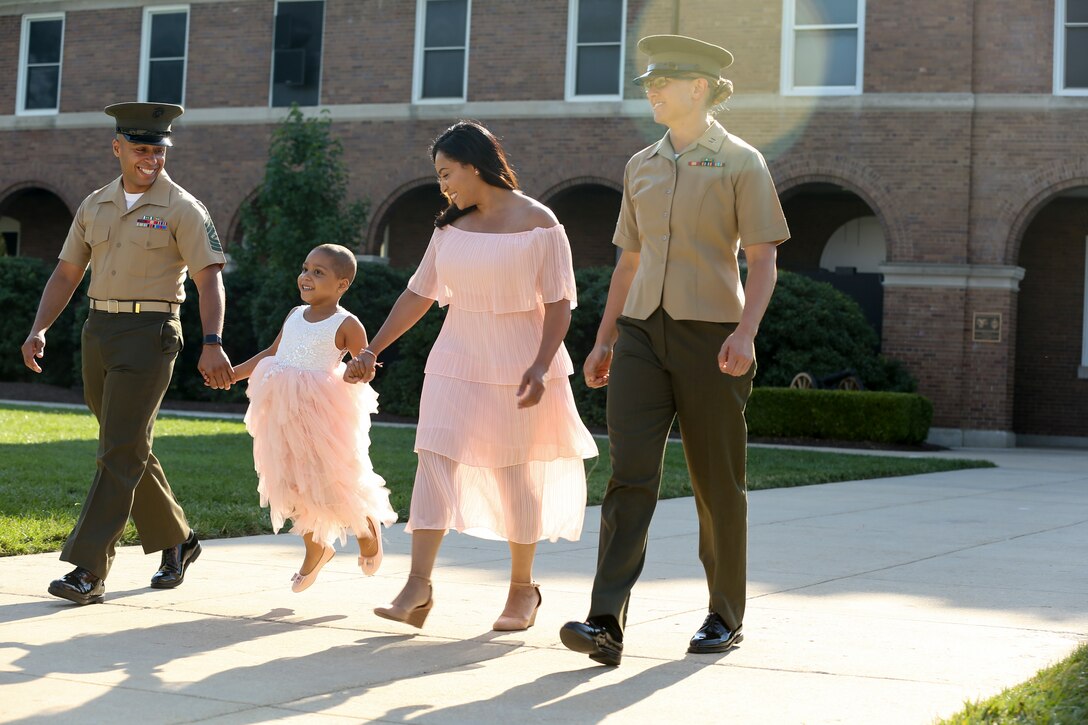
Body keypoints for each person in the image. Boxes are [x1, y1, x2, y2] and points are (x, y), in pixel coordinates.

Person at [559, 35, 790, 665]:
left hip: (711, 337)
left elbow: (763, 259)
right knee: (628, 476)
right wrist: (605, 338)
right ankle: (605, 621)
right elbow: (629, 261)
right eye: (648, 83)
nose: (652, 91)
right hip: (638, 336)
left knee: (717, 482)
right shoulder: (642, 165)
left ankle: (724, 614)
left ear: (700, 88)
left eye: (664, 82)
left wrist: (745, 332)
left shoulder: (742, 162)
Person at [345, 120, 597, 631]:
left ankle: (523, 592)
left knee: (514, 471)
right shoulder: (449, 228)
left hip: (519, 359)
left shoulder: (540, 222)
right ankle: (417, 587)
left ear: (475, 164)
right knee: (435, 462)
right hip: (455, 357)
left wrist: (542, 363)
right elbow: (418, 294)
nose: (443, 186)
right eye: (438, 177)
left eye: (446, 173)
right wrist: (372, 348)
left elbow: (558, 302)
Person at [20, 102, 234, 605]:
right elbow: (68, 273)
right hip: (98, 330)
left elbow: (210, 279)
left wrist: (213, 341)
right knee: (128, 445)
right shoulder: (94, 204)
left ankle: (87, 569)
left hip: (152, 330)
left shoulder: (183, 207)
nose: (152, 159)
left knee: (118, 450)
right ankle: (178, 539)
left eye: (158, 150)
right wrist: (39, 328)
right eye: (141, 149)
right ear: (117, 148)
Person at [230, 244, 397, 591]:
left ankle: (367, 530)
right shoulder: (294, 314)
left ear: (342, 284)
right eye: (305, 268)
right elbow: (272, 353)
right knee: (289, 481)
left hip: (321, 415)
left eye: (318, 272)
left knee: (333, 478)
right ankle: (316, 548)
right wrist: (235, 373)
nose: (306, 276)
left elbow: (364, 365)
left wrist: (356, 370)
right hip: (282, 412)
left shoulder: (346, 323)